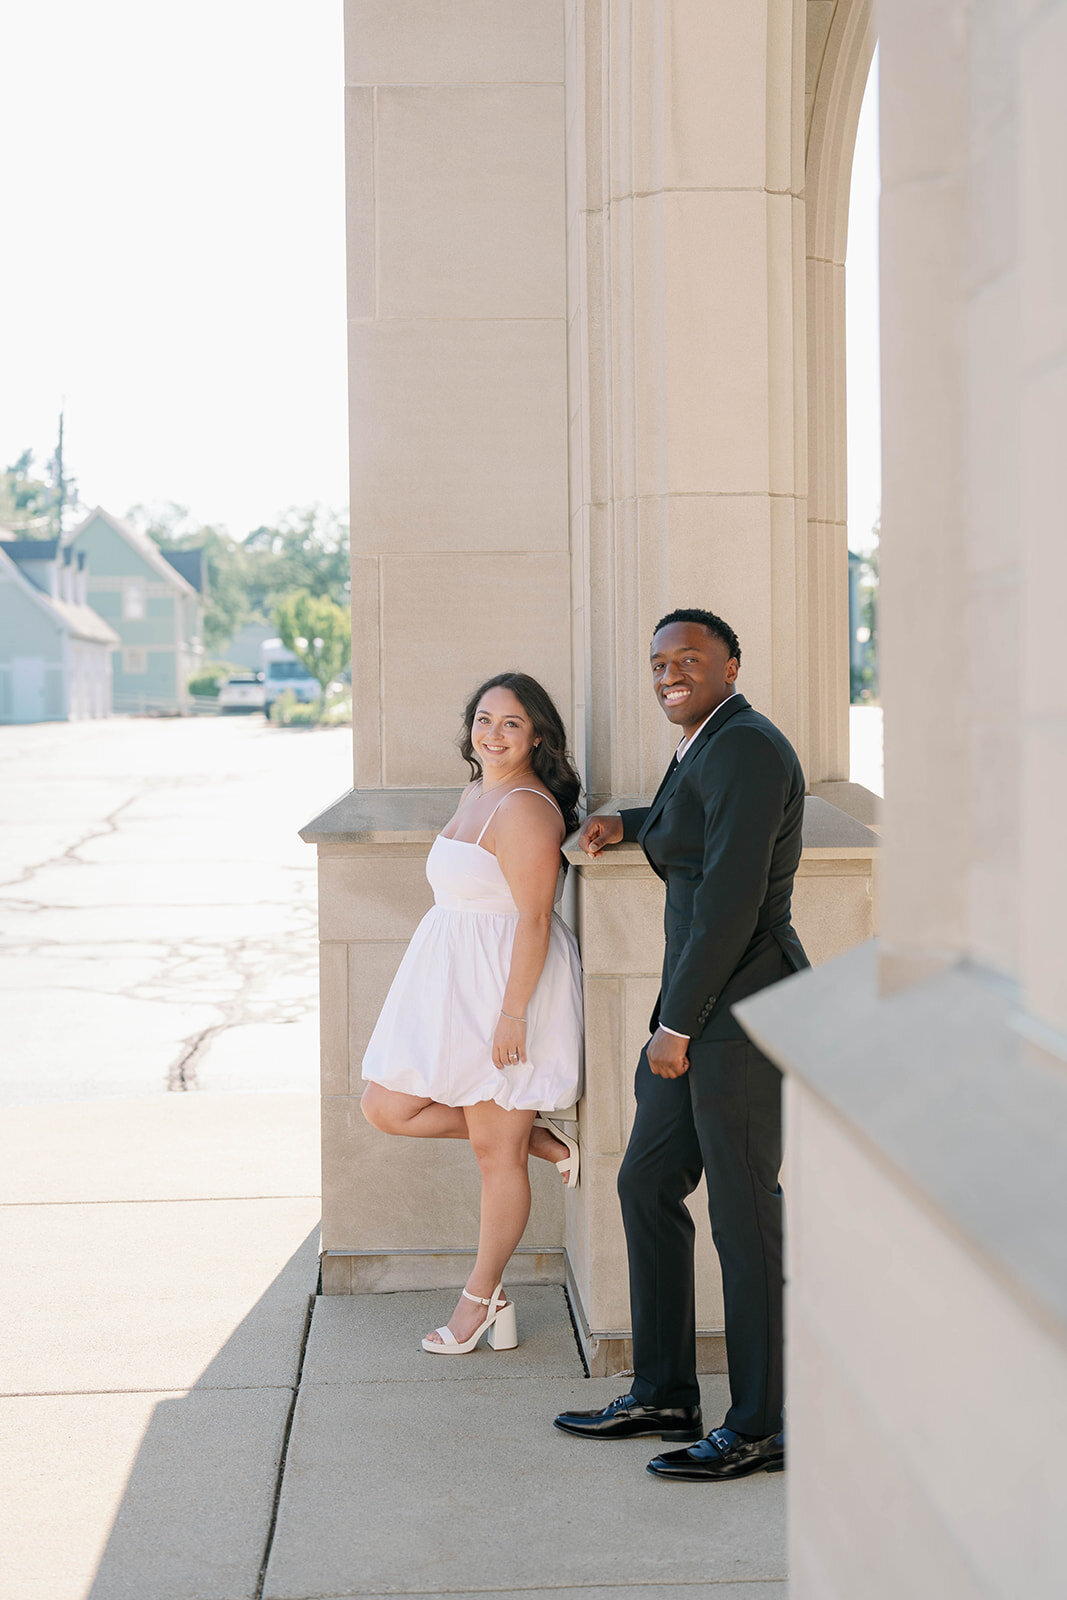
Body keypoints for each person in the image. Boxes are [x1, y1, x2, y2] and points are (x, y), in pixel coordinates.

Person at [554, 608, 808, 1481]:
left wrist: (676, 1026)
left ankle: (762, 1425)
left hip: (733, 1011)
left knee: (743, 1215)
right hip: (698, 1003)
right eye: (658, 659)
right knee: (647, 1179)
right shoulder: (707, 741)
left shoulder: (745, 744)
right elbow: (692, 824)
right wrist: (623, 821)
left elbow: (733, 900)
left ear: (731, 663)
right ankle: (665, 1390)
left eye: (689, 658)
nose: (670, 671)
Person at [361, 671, 584, 1355]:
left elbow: (535, 920)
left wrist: (513, 1014)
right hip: (451, 984)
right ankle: (539, 1141)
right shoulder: (476, 792)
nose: (492, 733)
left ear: (537, 734)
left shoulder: (525, 809)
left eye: (510, 723)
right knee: (386, 1106)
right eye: (484, 720)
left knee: (495, 1158)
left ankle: (480, 1300)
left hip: (501, 989)